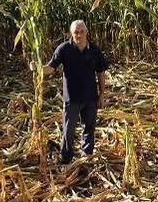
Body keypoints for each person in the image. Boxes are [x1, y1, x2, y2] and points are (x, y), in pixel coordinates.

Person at [41, 20, 108, 164]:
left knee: (89, 127)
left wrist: (102, 94)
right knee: (68, 130)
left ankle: (86, 156)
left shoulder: (95, 50)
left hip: (90, 97)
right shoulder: (64, 49)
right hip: (71, 98)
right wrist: (38, 69)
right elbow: (51, 68)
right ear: (71, 34)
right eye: (76, 32)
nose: (79, 35)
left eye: (81, 32)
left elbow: (101, 73)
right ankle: (66, 158)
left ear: (86, 32)